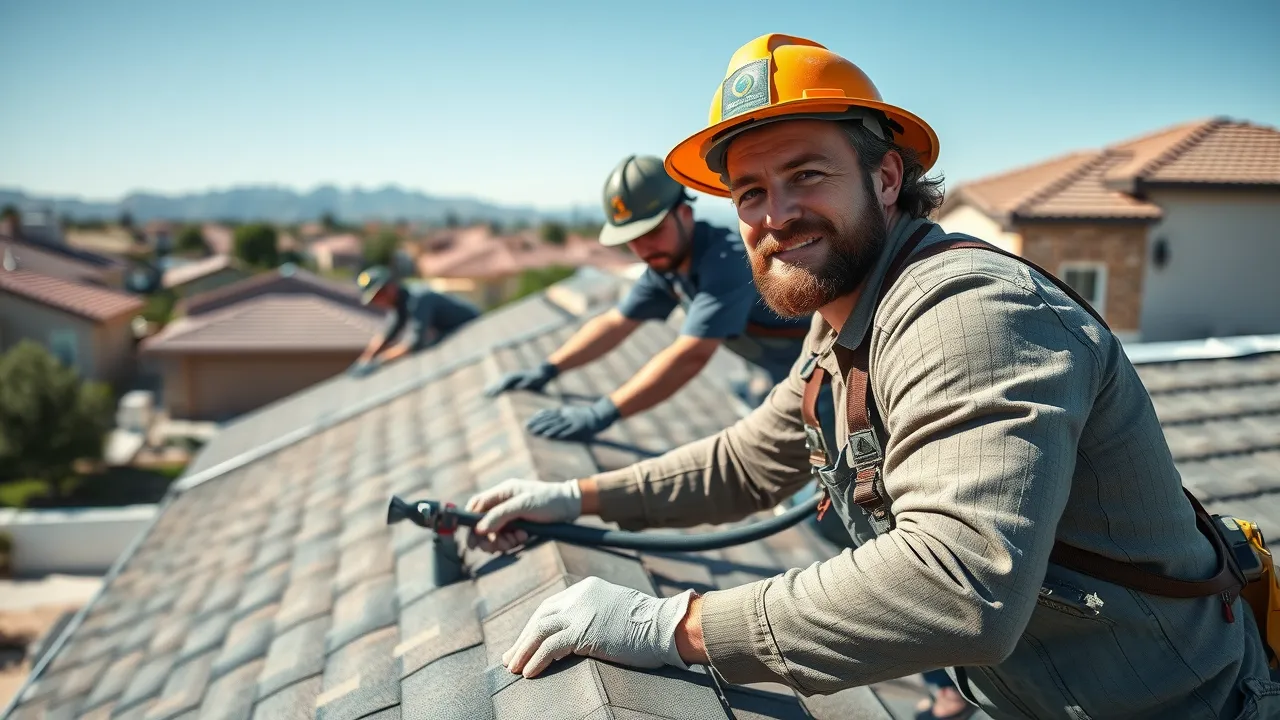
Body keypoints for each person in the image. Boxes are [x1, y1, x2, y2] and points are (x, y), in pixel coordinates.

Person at [464, 34, 1278, 720]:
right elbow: (749, 462)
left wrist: (670, 622)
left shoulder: (966, 313)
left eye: (806, 175)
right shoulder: (847, 312)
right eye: (751, 192)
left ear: (886, 179)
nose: (775, 216)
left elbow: (960, 584)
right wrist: (575, 498)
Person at [484, 154, 813, 442]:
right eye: (632, 239)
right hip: (779, 370)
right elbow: (615, 323)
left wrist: (600, 413)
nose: (643, 249)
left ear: (684, 214)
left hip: (824, 372)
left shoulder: (726, 261)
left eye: (652, 232)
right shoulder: (667, 264)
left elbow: (691, 355)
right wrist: (548, 369)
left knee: (824, 475)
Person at [348, 265, 480, 377]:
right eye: (375, 299)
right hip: (456, 334)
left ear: (391, 286)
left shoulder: (418, 299)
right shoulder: (400, 304)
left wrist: (378, 362)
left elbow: (415, 342)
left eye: (381, 294)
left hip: (474, 329)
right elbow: (389, 332)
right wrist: (364, 359)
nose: (380, 301)